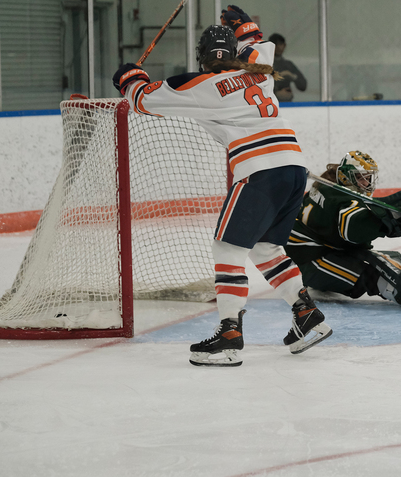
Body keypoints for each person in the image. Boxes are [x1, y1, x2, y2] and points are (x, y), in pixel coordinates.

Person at [112, 19, 332, 367]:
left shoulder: (199, 84)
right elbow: (258, 43)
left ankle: (229, 333)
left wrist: (128, 74)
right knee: (264, 247)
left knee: (226, 246)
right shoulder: (261, 70)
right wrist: (244, 26)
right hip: (293, 168)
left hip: (259, 170)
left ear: (201, 58)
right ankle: (307, 315)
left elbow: (141, 100)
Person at [284, 151, 401, 309]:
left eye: (368, 178)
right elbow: (353, 230)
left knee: (382, 258)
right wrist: (390, 218)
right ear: (345, 177)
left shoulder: (326, 186)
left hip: (323, 247)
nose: (366, 183)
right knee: (368, 274)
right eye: (360, 178)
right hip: (308, 261)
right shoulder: (340, 199)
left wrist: (391, 215)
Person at [267, 33, 307, 102]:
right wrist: (276, 93)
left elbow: (303, 86)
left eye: (282, 44)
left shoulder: (288, 65)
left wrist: (293, 76)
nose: (280, 47)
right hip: (270, 104)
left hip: (287, 104)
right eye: (276, 45)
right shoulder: (265, 65)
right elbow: (260, 87)